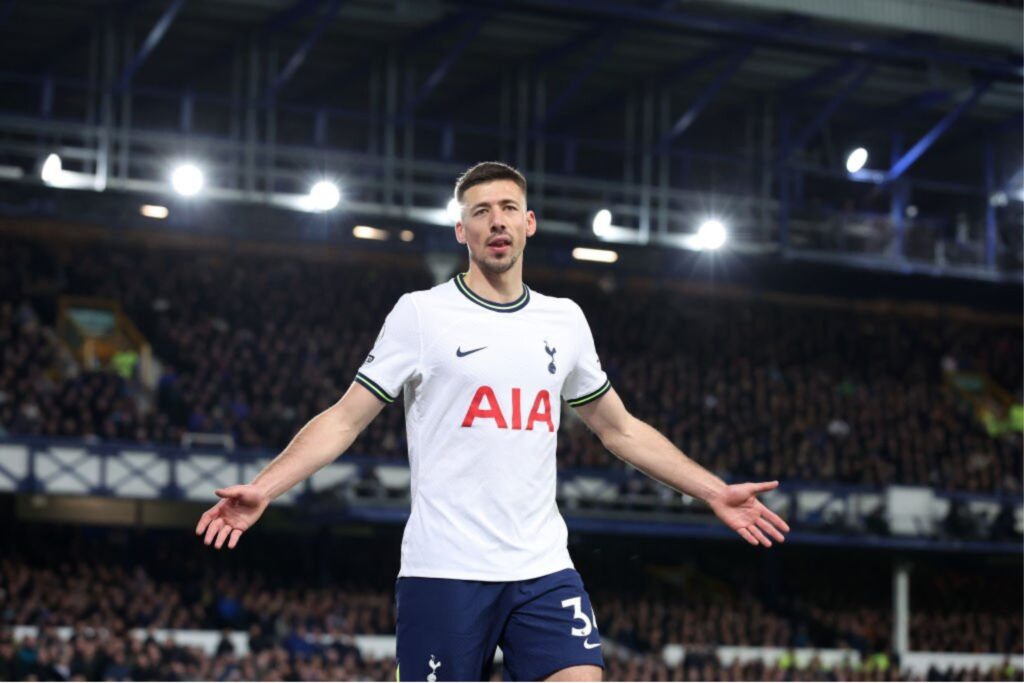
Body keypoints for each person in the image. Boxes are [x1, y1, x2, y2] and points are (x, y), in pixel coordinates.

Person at [195, 161, 790, 682]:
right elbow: (346, 419)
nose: (496, 220)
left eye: (509, 208)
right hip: (444, 570)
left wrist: (714, 490)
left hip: (541, 566)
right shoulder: (423, 315)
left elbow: (620, 428)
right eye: (480, 212)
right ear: (462, 231)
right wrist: (265, 488)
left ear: (529, 223)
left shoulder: (565, 321)